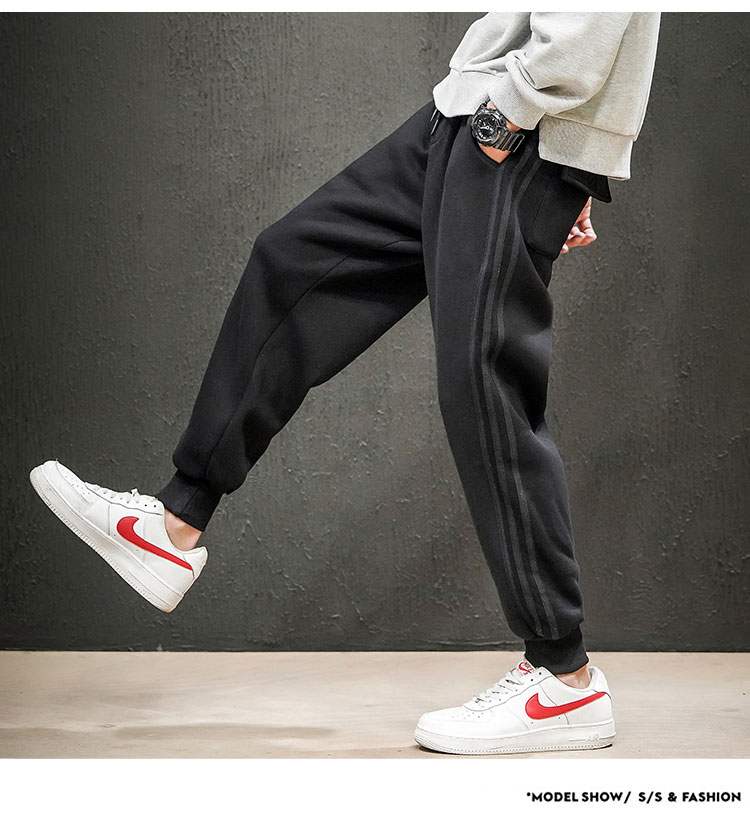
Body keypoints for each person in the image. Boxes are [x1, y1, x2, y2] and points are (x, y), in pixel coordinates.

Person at [30, 12, 661, 755]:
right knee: (296, 261)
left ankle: (563, 675)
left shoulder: (518, 112)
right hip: (471, 108)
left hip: (514, 124)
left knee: (486, 385)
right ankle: (175, 523)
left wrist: (532, 117)